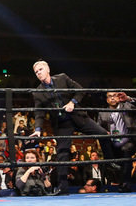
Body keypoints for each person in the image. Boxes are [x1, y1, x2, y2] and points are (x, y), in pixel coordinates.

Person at [29, 60, 115, 195]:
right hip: (62, 124)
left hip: (77, 116)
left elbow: (80, 90)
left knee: (103, 134)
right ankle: (63, 188)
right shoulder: (38, 92)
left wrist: (72, 102)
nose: (39, 73)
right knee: (62, 154)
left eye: (40, 69)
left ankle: (111, 163)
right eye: (36, 72)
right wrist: (38, 129)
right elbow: (39, 113)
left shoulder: (62, 78)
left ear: (48, 70)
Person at [96, 91, 136, 192]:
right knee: (103, 139)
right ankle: (111, 163)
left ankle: (126, 184)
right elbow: (97, 127)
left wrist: (129, 98)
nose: (112, 98)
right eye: (110, 96)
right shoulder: (102, 112)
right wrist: (104, 132)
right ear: (107, 100)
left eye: (115, 96)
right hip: (113, 142)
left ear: (119, 98)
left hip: (129, 140)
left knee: (126, 152)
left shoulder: (128, 106)